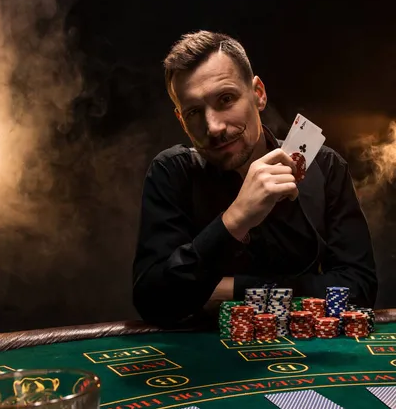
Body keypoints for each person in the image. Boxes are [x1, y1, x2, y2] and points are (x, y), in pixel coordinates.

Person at [132, 30, 377, 326]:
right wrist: (235, 220)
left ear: (258, 94)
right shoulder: (171, 172)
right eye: (195, 111)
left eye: (226, 99)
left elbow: (359, 290)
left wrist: (231, 289)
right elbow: (153, 301)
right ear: (182, 120)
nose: (213, 126)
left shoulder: (323, 165)